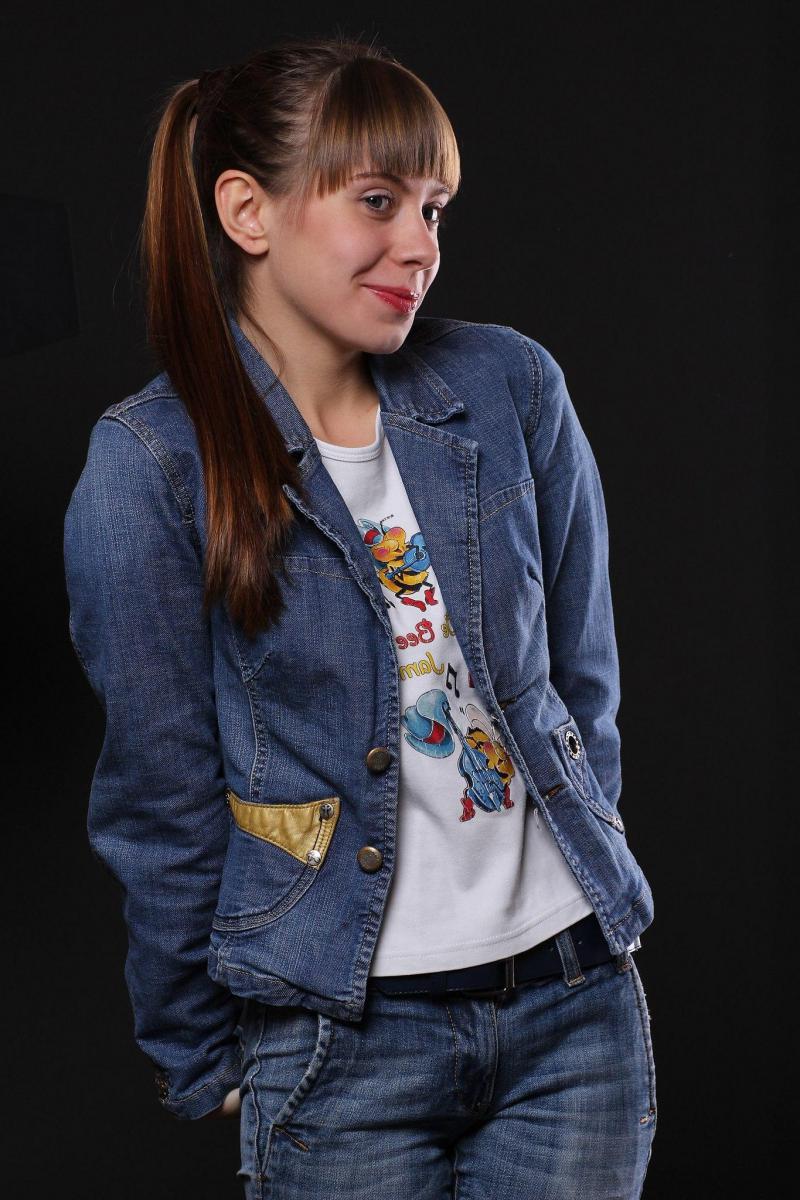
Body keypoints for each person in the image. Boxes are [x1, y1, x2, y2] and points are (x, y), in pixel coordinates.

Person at [63, 33, 657, 1198]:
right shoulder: (151, 466)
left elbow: (580, 686)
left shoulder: (508, 386)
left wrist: (597, 875)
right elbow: (157, 796)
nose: (420, 245)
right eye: (378, 202)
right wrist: (200, 1053)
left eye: (433, 209)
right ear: (247, 211)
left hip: (572, 1009)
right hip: (341, 1037)